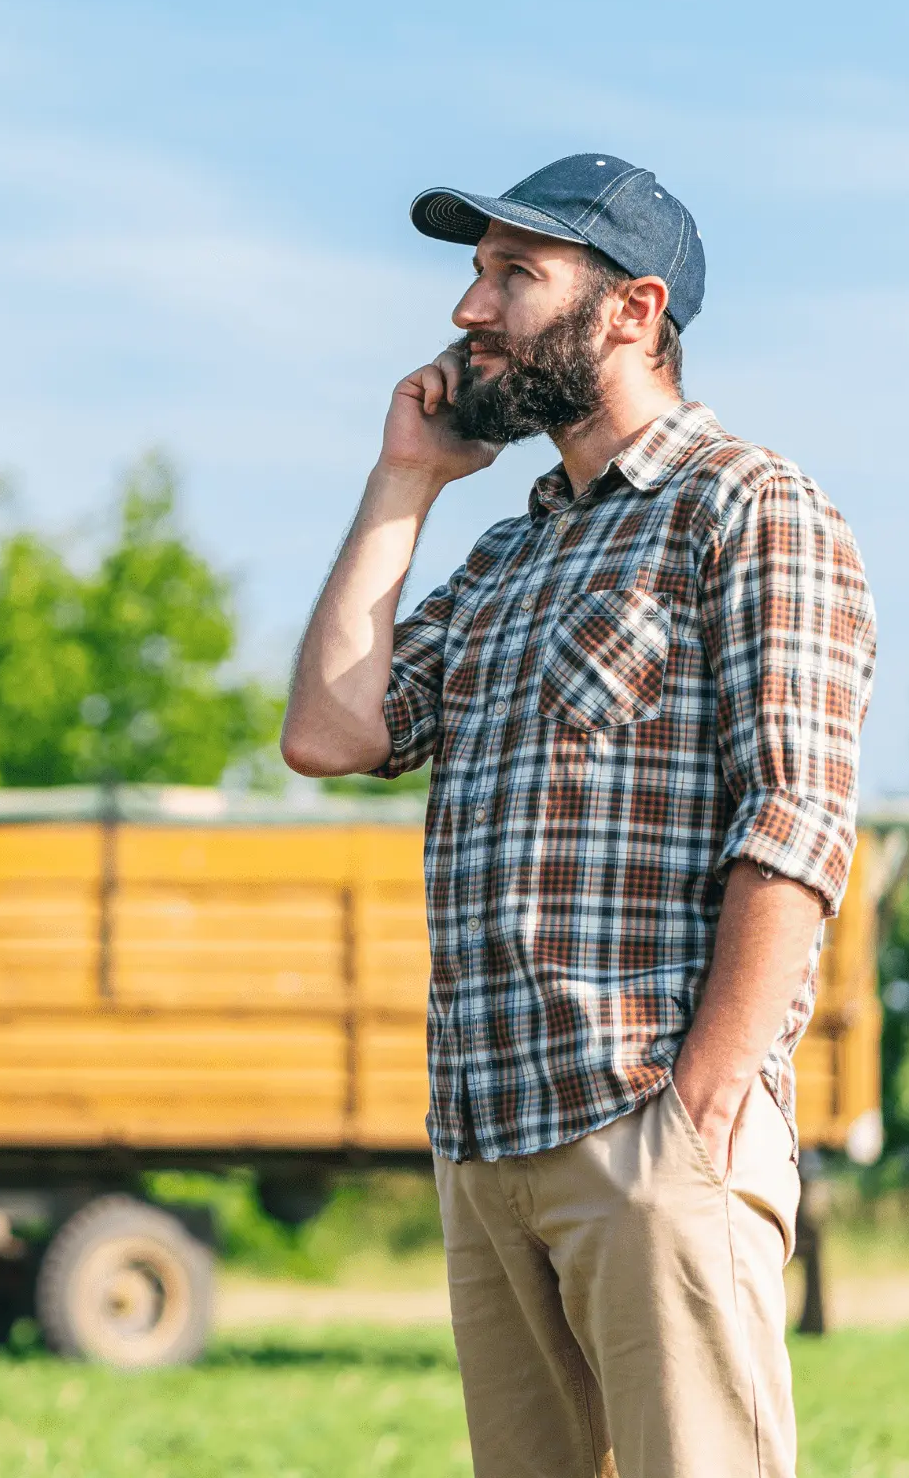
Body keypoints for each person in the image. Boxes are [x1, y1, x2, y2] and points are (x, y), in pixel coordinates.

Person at [280, 154, 876, 1477]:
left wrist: (707, 1093)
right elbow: (331, 734)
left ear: (629, 310)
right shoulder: (510, 553)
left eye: (513, 275)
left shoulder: (744, 506)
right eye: (474, 272)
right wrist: (401, 485)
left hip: (645, 1123)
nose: (467, 310)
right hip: (486, 1136)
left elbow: (795, 816)